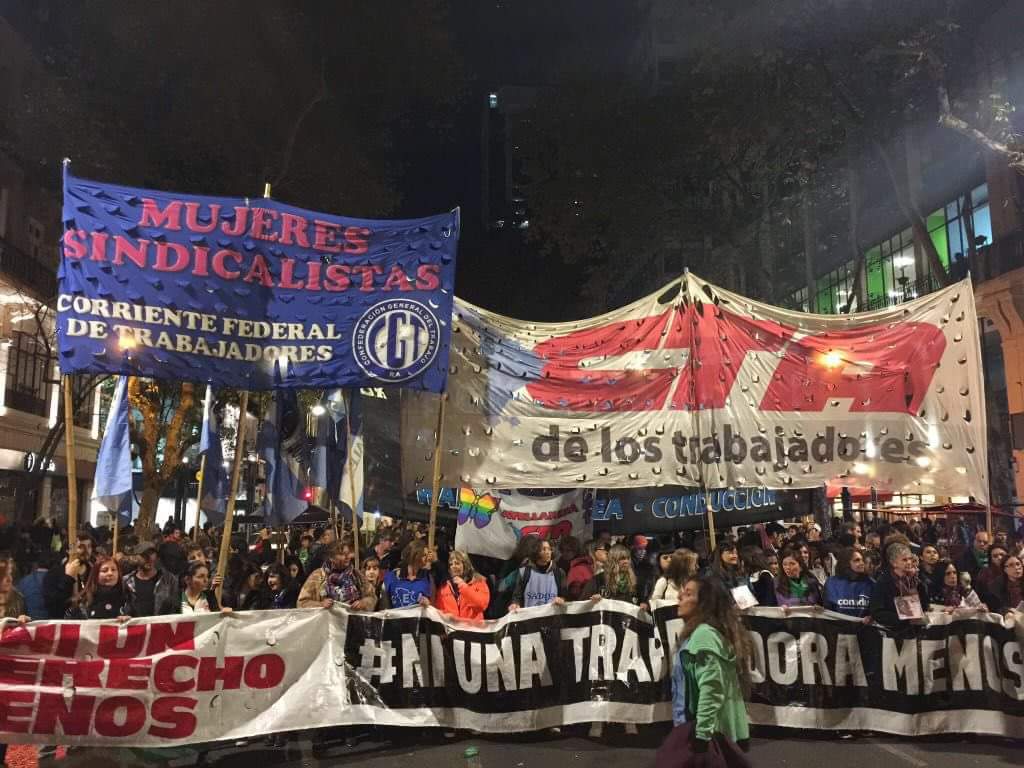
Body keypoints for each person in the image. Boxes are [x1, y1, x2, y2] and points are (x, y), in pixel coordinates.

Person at [666, 575, 751, 759]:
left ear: (703, 603)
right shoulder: (701, 633)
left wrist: (701, 736)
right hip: (711, 731)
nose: (680, 596)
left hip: (712, 735)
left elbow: (711, 689)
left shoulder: (704, 635)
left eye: (688, 594)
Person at [298, 542, 376, 610]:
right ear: (331, 557)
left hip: (352, 621)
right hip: (327, 621)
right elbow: (302, 603)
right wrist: (320, 604)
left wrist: (363, 603)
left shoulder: (356, 575)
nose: (347, 557)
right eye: (341, 554)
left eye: (348, 553)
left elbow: (372, 597)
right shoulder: (317, 576)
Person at [869, 543, 930, 630]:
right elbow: (877, 612)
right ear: (894, 563)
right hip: (893, 632)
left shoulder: (915, 579)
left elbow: (925, 605)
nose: (909, 562)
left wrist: (917, 579)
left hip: (915, 631)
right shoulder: (883, 582)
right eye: (904, 560)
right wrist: (906, 620)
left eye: (910, 559)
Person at [583, 543, 648, 609]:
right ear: (613, 560)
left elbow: (643, 601)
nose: (626, 561)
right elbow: (582, 602)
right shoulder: (599, 580)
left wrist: (645, 605)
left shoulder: (636, 580)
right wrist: (592, 600)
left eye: (628, 558)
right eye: (622, 558)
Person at [63, 556, 130, 620]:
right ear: (95, 575)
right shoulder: (81, 603)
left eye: (113, 570)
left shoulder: (128, 598)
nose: (110, 573)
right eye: (104, 570)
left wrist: (129, 620)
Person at [509, 539, 567, 611]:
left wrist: (562, 599)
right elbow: (517, 596)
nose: (548, 552)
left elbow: (565, 595)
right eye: (544, 549)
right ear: (536, 552)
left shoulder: (559, 573)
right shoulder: (524, 572)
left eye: (549, 549)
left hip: (551, 616)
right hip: (530, 616)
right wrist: (515, 604)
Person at [434, 550, 490, 620]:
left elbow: (481, 605)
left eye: (457, 563)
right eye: (451, 564)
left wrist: (463, 586)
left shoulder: (479, 582)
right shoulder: (444, 587)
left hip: (472, 626)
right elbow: (439, 609)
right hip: (451, 626)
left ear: (465, 565)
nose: (453, 566)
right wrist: (446, 616)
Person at [124, 545, 178, 617]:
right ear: (135, 558)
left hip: (162, 623)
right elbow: (123, 607)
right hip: (136, 623)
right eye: (144, 555)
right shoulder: (126, 581)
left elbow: (175, 607)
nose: (149, 558)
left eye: (152, 554)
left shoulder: (169, 579)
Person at [382, 540, 434, 609]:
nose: (427, 558)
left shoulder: (427, 577)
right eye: (424, 555)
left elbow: (432, 604)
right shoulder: (391, 577)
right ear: (415, 556)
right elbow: (385, 606)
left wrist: (427, 602)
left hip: (419, 615)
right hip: (396, 615)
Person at [823, 548, 873, 619]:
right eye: (857, 560)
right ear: (845, 563)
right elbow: (827, 610)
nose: (862, 563)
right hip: (837, 625)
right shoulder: (831, 583)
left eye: (862, 560)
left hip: (863, 626)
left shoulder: (870, 583)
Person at [15, 554, 51, 620]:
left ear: (35, 564)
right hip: (53, 622)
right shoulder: (56, 580)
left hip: (30, 621)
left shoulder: (24, 581)